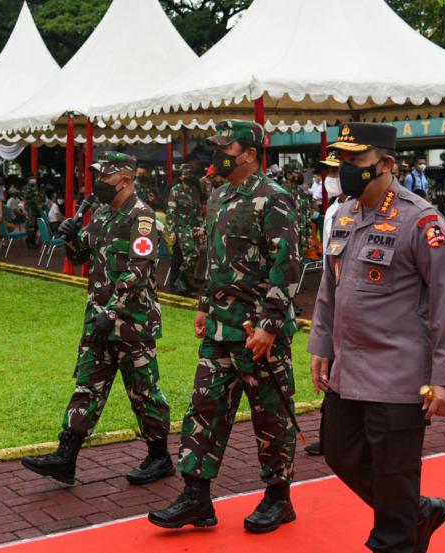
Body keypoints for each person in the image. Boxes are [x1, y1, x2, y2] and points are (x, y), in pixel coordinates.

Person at [308, 123, 445, 552]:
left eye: (355, 161)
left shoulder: (422, 220)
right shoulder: (343, 215)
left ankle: (398, 533)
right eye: (341, 161)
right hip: (349, 370)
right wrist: (321, 346)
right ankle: (414, 512)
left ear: (387, 163)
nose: (345, 170)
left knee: (395, 474)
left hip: (399, 376)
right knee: (339, 452)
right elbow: (330, 288)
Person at [149, 120, 301, 534]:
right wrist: (203, 304)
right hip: (219, 328)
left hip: (258, 332)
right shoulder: (219, 196)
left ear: (249, 153)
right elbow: (214, 260)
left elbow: (287, 266)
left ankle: (278, 497)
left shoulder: (275, 199)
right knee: (204, 409)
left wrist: (270, 325)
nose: (217, 153)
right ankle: (197, 497)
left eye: (225, 146)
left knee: (270, 416)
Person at [21, 152, 173, 486]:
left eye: (104, 178)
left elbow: (139, 271)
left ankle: (160, 456)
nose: (97, 184)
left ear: (125, 179)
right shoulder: (102, 215)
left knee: (144, 393)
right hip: (99, 319)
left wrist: (113, 311)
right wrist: (71, 235)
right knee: (87, 386)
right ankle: (66, 457)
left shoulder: (142, 218)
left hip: (131, 322)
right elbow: (80, 258)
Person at [303, 152, 343, 458]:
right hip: (337, 297)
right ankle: (331, 436)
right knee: (331, 368)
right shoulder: (332, 211)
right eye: (327, 170)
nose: (330, 176)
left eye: (336, 170)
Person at [167, 163, 205, 296]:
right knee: (186, 256)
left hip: (193, 228)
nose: (186, 176)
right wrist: (172, 231)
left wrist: (201, 227)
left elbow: (198, 210)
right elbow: (171, 211)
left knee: (194, 255)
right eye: (184, 174)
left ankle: (184, 282)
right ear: (180, 176)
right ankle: (177, 283)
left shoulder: (195, 190)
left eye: (189, 174)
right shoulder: (176, 189)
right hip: (180, 229)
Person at [285, 161, 312, 260]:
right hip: (287, 239)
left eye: (300, 173)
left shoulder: (302, 193)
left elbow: (307, 215)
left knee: (299, 267)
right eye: (297, 173)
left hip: (301, 239)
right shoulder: (281, 193)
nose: (299, 175)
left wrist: (309, 236)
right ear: (288, 175)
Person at [21, 175, 44, 248]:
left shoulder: (35, 187)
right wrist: (37, 204)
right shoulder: (26, 188)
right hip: (30, 210)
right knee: (30, 226)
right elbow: (27, 198)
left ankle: (33, 241)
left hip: (36, 210)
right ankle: (29, 241)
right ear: (28, 179)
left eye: (34, 178)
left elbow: (39, 197)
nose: (34, 179)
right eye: (32, 178)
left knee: (36, 226)